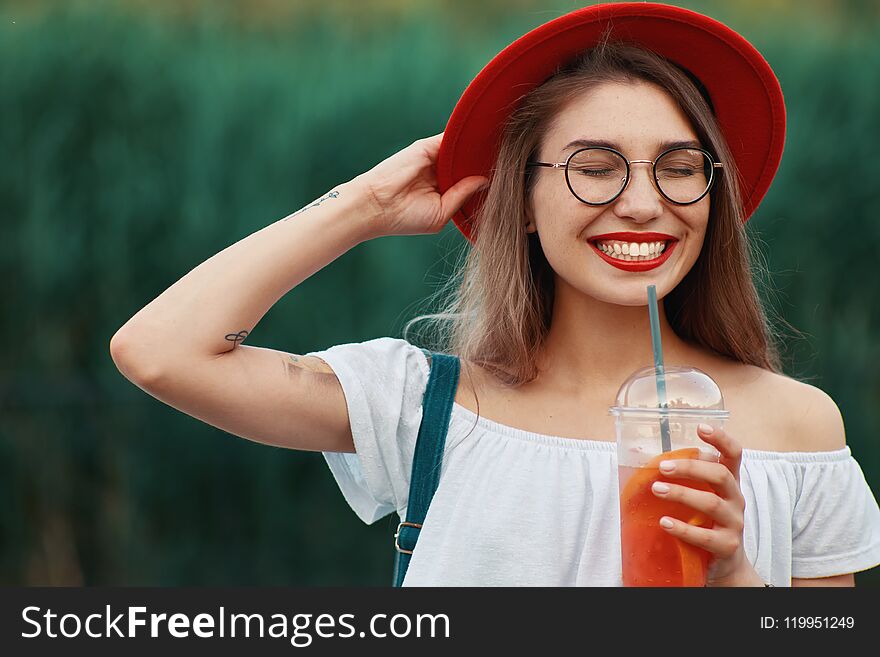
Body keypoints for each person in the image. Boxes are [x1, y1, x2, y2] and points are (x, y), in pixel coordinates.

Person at [109, 3, 880, 586]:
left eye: (678, 167)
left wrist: (735, 581)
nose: (644, 202)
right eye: (595, 165)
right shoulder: (428, 408)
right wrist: (363, 205)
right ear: (524, 203)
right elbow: (159, 352)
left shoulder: (797, 428)